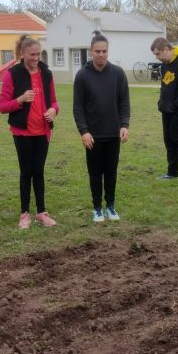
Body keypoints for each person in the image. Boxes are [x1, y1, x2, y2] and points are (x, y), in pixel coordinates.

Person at [0, 35, 58, 229]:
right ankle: (24, 214)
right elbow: (2, 106)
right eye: (32, 54)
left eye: (38, 54)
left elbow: (55, 102)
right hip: (22, 132)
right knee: (26, 172)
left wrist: (53, 111)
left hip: (43, 131)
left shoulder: (46, 73)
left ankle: (41, 212)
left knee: (39, 171)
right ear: (22, 54)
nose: (35, 58)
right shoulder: (12, 74)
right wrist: (21, 100)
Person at [73, 32, 130, 223]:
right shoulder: (82, 75)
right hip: (93, 136)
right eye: (97, 51)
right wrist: (84, 131)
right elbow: (78, 107)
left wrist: (124, 125)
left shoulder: (118, 73)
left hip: (113, 134)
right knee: (95, 173)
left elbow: (124, 103)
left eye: (104, 51)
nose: (101, 55)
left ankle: (110, 206)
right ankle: (97, 208)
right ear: (91, 52)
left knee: (111, 172)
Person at [150, 37, 178, 179]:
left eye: (158, 54)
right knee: (168, 139)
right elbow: (165, 86)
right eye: (155, 55)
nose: (157, 57)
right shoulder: (164, 65)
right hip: (166, 108)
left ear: (167, 49)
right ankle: (172, 172)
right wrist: (162, 102)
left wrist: (175, 104)